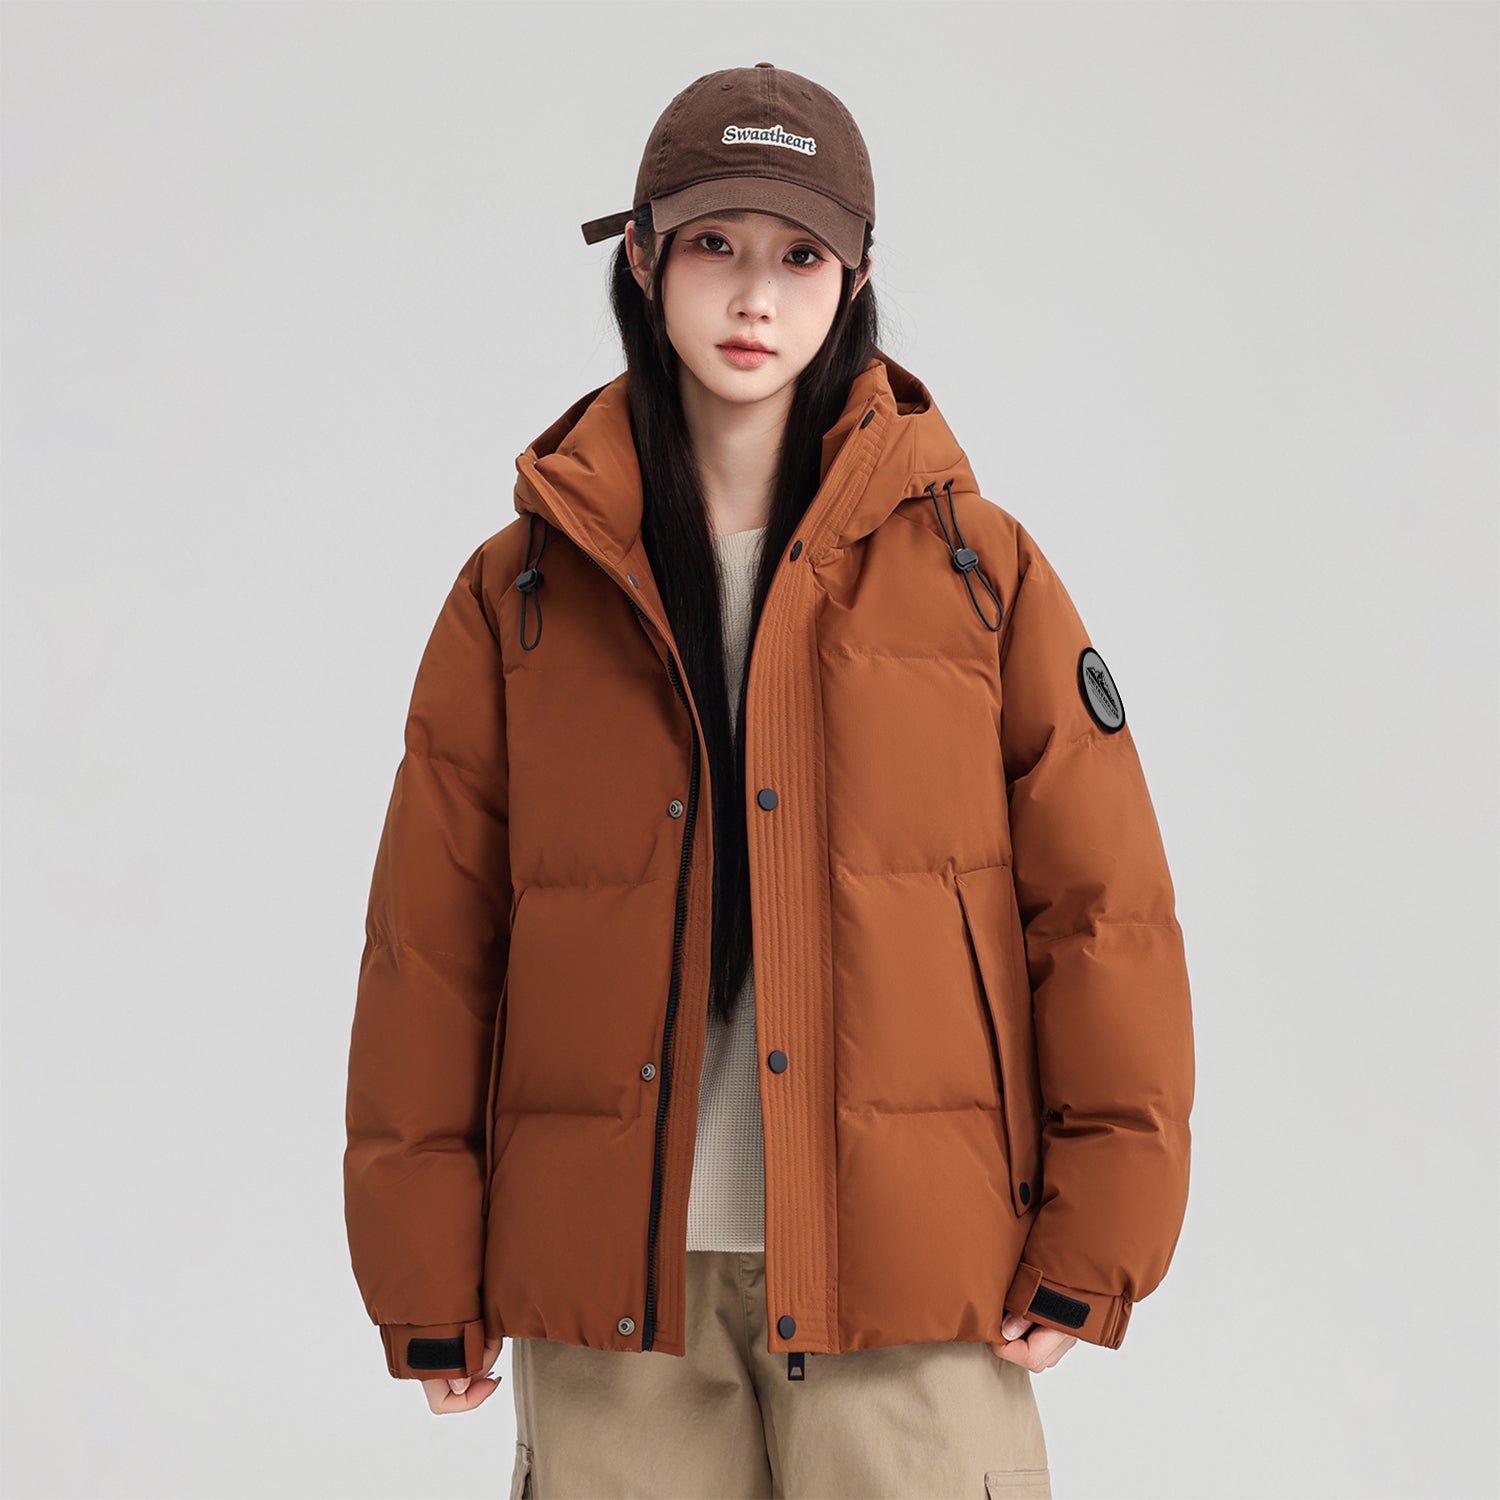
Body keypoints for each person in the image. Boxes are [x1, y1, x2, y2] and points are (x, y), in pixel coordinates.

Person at [343, 61, 1195, 1500]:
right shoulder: (524, 593)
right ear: (643, 257)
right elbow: (432, 946)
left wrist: (1098, 1236)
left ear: (854, 278)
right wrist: (424, 1264)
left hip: (913, 1278)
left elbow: (1104, 914)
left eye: (800, 255)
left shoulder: (977, 574)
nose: (755, 296)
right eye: (716, 245)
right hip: (617, 1294)